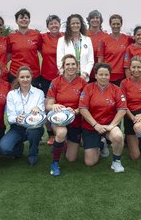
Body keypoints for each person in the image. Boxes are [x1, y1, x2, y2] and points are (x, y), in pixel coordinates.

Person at [79, 63, 126, 172]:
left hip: (109, 125)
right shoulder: (88, 88)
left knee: (118, 136)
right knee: (90, 162)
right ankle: (101, 143)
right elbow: (82, 109)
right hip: (91, 126)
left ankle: (116, 162)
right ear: (95, 76)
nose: (104, 77)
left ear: (110, 76)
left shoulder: (116, 89)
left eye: (106, 74)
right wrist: (95, 125)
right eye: (101, 74)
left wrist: (112, 125)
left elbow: (122, 109)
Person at [46, 54, 87, 176]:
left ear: (78, 66)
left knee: (71, 158)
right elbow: (48, 105)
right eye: (67, 64)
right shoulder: (56, 81)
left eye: (73, 64)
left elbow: (84, 106)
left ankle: (62, 144)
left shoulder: (82, 82)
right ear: (63, 66)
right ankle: (55, 163)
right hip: (59, 120)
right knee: (61, 132)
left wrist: (74, 111)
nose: (70, 67)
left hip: (75, 121)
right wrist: (53, 106)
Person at [0, 66, 45, 165]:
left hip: (34, 127)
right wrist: (16, 118)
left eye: (27, 77)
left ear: (31, 77)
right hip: (17, 128)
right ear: (18, 78)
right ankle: (18, 147)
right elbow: (10, 118)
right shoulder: (11, 94)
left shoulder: (39, 93)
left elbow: (43, 116)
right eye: (22, 77)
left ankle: (33, 153)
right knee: (3, 149)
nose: (25, 79)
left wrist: (39, 110)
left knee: (33, 133)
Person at [40, 15, 63, 146]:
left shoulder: (66, 37)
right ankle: (50, 134)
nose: (54, 25)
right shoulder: (42, 38)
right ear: (48, 26)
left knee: (61, 105)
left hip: (62, 78)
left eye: (56, 23)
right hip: (46, 78)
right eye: (51, 23)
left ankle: (64, 132)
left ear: (60, 24)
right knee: (47, 108)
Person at [7, 8, 43, 84]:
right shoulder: (11, 36)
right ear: (16, 21)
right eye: (21, 18)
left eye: (26, 18)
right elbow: (8, 55)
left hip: (33, 74)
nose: (24, 20)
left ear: (29, 20)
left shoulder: (36, 35)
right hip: (15, 74)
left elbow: (43, 52)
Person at [57, 14, 94, 82]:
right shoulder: (62, 40)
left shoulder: (87, 40)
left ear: (81, 24)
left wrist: (84, 75)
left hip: (83, 79)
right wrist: (66, 75)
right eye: (73, 23)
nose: (75, 25)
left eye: (77, 23)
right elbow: (60, 61)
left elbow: (90, 61)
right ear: (69, 25)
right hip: (67, 79)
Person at [98, 14, 133, 86]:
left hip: (122, 76)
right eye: (113, 24)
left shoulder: (127, 39)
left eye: (118, 24)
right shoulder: (103, 40)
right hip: (108, 75)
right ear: (110, 25)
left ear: (121, 24)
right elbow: (100, 60)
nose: (116, 26)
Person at [86, 10, 108, 82]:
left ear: (100, 20)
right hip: (86, 72)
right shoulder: (83, 35)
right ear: (89, 20)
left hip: (100, 74)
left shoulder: (106, 36)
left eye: (97, 17)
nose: (95, 20)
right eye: (92, 18)